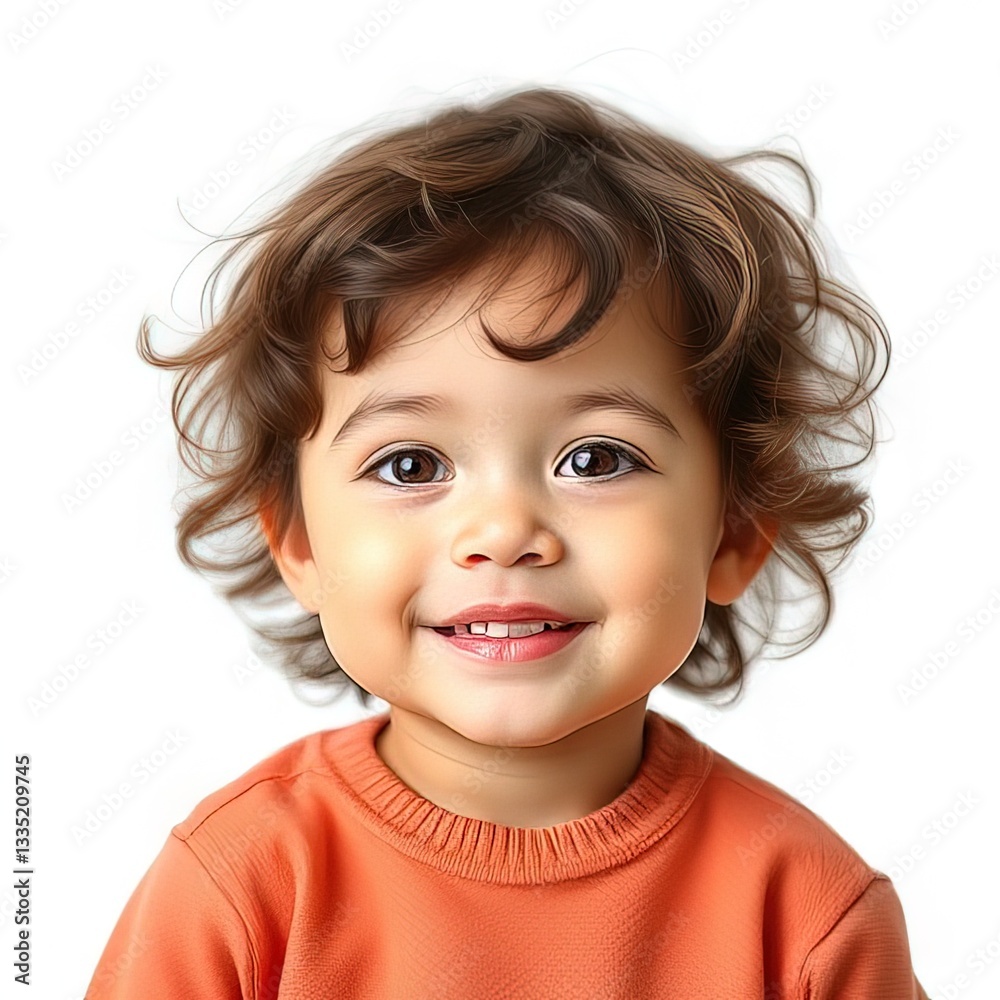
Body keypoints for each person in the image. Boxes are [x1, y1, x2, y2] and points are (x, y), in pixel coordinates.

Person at [85, 84, 929, 998]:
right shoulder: (242, 886)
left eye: (597, 458)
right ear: (298, 545)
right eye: (410, 466)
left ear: (734, 530)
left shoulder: (804, 915)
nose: (502, 534)